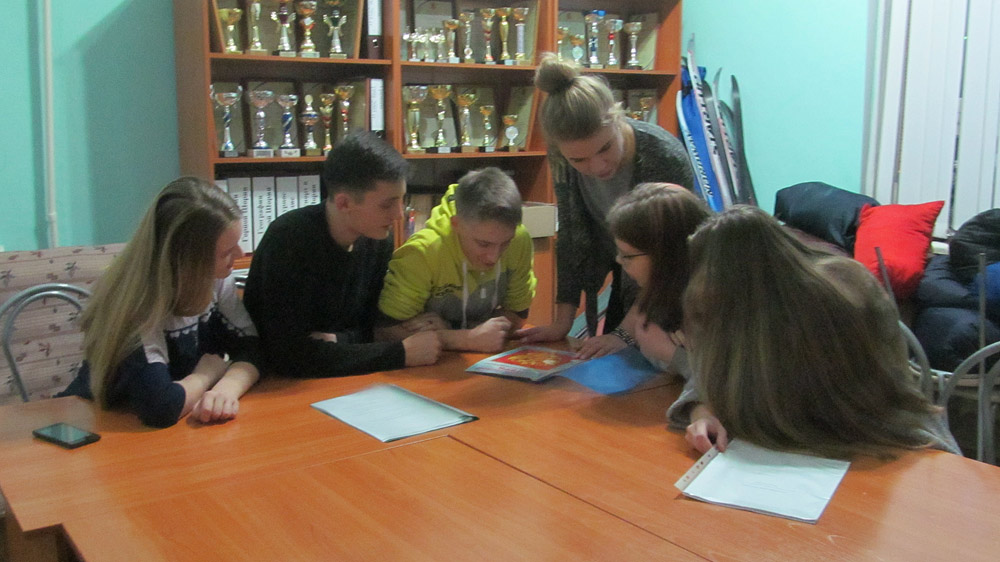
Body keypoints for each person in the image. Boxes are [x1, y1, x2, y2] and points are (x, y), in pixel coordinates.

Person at [681, 206, 960, 459]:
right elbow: (708, 369)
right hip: (800, 451)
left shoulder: (844, 294)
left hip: (883, 444)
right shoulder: (740, 305)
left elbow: (881, 397)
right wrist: (701, 411)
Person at [517, 53, 695, 358]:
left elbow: (667, 258)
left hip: (674, 286)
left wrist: (625, 332)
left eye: (605, 148)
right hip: (624, 269)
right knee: (611, 359)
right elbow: (572, 239)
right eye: (579, 159)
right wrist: (562, 323)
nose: (598, 166)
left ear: (617, 118)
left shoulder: (663, 156)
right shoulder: (561, 159)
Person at [59, 177, 260, 428]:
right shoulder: (137, 304)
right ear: (186, 262)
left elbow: (254, 348)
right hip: (97, 422)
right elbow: (160, 407)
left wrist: (226, 390)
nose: (240, 255)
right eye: (226, 252)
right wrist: (205, 375)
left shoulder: (215, 278)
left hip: (169, 424)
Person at [243, 132, 441, 378]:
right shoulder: (288, 240)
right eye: (387, 204)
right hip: (280, 384)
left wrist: (343, 340)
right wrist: (399, 354)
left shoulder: (377, 239)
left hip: (346, 378)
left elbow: (371, 329)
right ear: (344, 203)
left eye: (402, 200)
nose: (399, 215)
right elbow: (289, 355)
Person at [377, 167, 536, 352]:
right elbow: (384, 331)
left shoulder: (520, 239)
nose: (494, 257)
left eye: (505, 243)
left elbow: (518, 316)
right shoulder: (423, 252)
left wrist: (451, 330)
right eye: (483, 244)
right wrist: (465, 339)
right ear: (456, 225)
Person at [606, 183, 711, 427]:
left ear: (666, 255)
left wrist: (674, 357)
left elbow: (729, 380)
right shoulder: (664, 292)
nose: (619, 261)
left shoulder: (713, 301)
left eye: (627, 255)